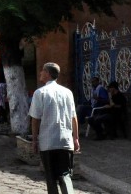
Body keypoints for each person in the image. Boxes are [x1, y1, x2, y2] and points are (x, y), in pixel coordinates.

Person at [29, 62, 80, 194]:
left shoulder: (40, 93)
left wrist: (34, 140)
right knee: (65, 175)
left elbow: (35, 119)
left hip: (48, 142)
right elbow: (73, 117)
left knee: (51, 178)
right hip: (65, 141)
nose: (40, 73)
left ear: (48, 74)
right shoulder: (67, 92)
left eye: (42, 71)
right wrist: (75, 139)